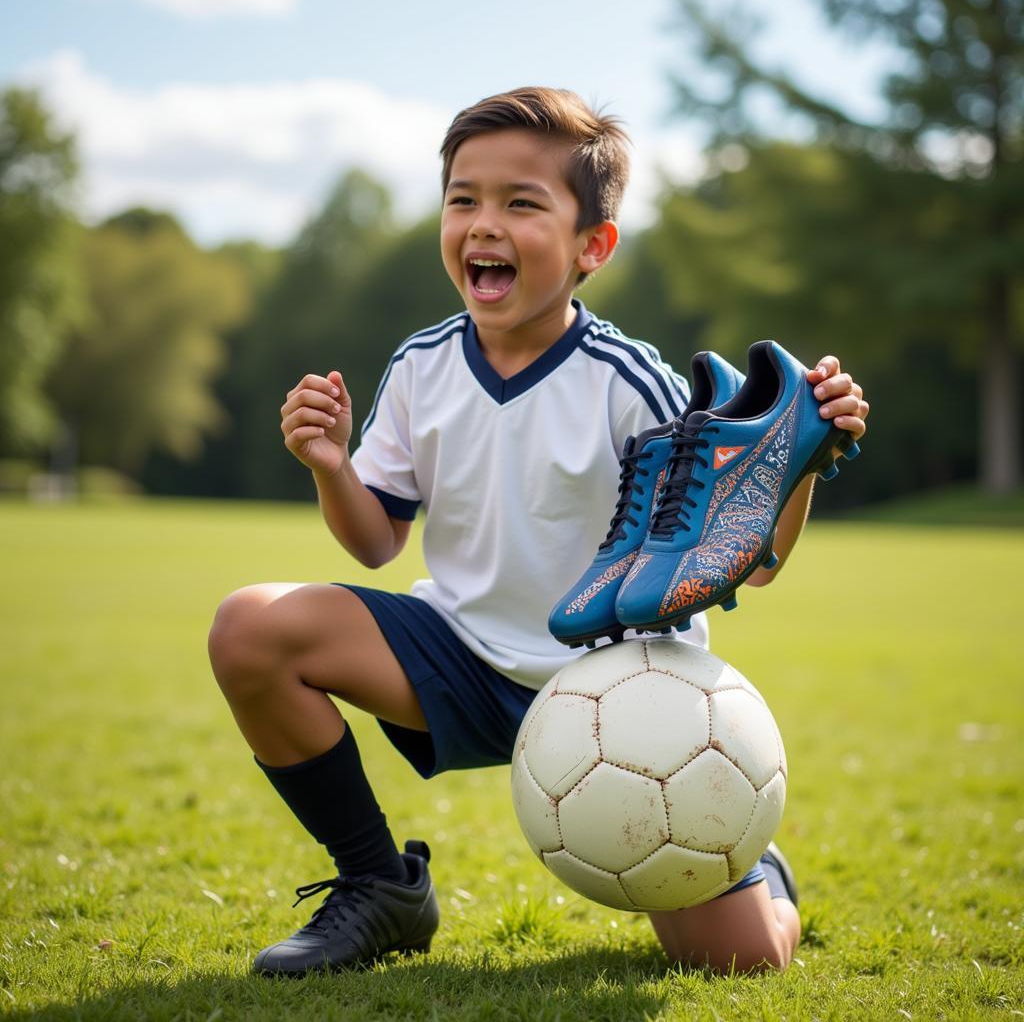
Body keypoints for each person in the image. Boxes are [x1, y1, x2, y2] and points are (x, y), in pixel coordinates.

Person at [207, 86, 870, 977]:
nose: (484, 223)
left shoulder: (631, 381)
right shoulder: (422, 364)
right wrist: (330, 464)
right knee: (251, 627)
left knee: (741, 962)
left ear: (591, 244)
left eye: (521, 203)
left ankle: (764, 880)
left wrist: (802, 462)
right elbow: (374, 542)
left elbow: (751, 563)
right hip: (462, 656)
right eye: (463, 199)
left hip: (627, 686)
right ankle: (379, 887)